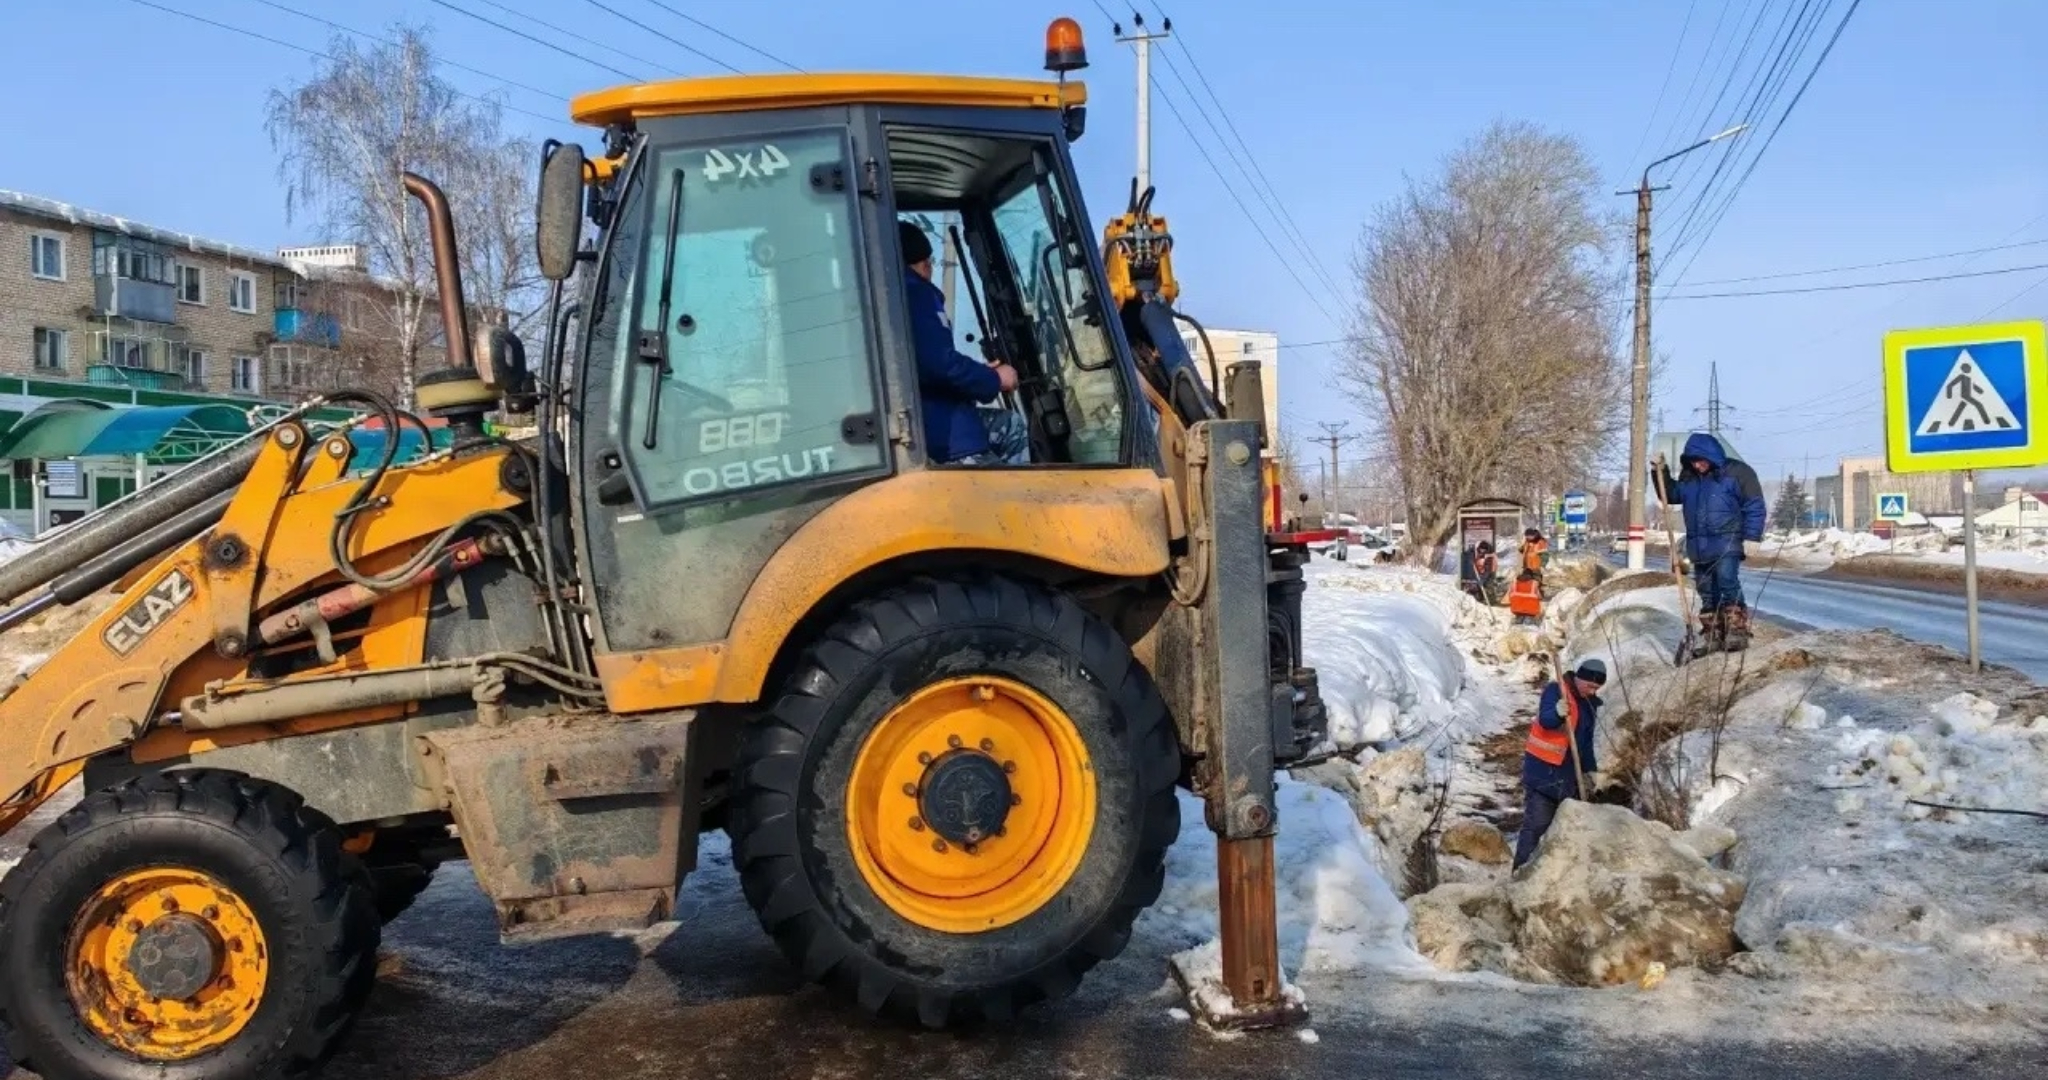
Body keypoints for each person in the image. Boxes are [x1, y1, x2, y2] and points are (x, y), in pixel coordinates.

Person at [899, 220, 1029, 465]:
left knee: (1009, 424)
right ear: (925, 263)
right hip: (947, 436)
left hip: (924, 423)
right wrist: (995, 379)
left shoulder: (888, 296)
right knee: (1015, 487)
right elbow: (939, 364)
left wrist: (981, 373)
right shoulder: (916, 293)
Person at [1651, 433, 1766, 654]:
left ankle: (1736, 630)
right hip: (1699, 545)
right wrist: (1660, 471)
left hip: (1727, 540)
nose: (1697, 465)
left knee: (1727, 581)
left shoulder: (1737, 473)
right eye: (1693, 461)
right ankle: (1713, 633)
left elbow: (1754, 505)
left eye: (1701, 460)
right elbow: (1671, 494)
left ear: (1711, 455)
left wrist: (1752, 536)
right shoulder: (1690, 478)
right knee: (1705, 589)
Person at [1514, 658, 1606, 870]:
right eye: (1590, 686)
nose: (1592, 691)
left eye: (1597, 688)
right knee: (1536, 827)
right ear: (1580, 678)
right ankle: (1520, 874)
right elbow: (1545, 721)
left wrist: (1590, 771)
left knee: (1567, 831)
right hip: (1543, 776)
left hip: (1568, 778)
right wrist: (1557, 712)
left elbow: (1586, 742)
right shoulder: (1557, 691)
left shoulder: (1589, 704)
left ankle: (1553, 876)